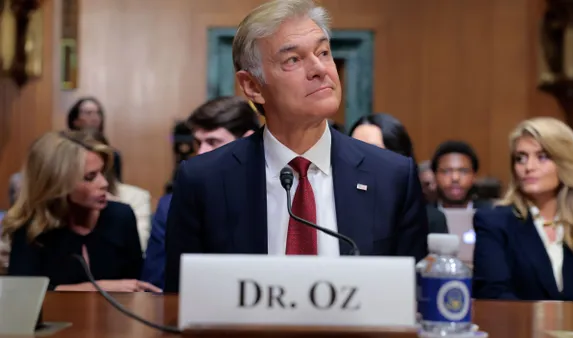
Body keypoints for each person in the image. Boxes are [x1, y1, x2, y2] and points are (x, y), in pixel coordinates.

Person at [164, 0, 428, 293]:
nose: (319, 69)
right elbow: (182, 304)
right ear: (252, 86)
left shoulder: (392, 177)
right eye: (293, 60)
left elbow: (410, 301)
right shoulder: (204, 181)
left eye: (323, 52)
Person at [2, 131, 160, 292]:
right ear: (58, 183)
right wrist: (96, 288)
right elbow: (23, 294)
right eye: (90, 177)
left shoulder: (121, 216)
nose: (104, 183)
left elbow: (135, 285)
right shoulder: (31, 226)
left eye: (102, 172)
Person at [473, 117, 573, 301]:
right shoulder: (494, 223)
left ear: (566, 163)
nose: (528, 167)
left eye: (542, 157)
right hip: (518, 328)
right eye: (520, 158)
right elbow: (494, 295)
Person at [141, 96, 260, 289]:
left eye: (213, 142)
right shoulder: (170, 205)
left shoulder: (276, 196)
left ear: (246, 141)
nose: (201, 152)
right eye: (198, 143)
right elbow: (154, 287)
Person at [349, 113, 448, 234]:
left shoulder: (429, 219)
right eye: (353, 149)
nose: (360, 159)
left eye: (371, 151)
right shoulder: (335, 212)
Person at [67, 97, 122, 181]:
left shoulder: (112, 155)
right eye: (89, 113)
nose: (95, 117)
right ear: (75, 120)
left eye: (98, 113)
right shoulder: (64, 152)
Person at [431, 140, 490, 210]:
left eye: (463, 171)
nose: (455, 178)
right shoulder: (422, 215)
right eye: (446, 171)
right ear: (435, 176)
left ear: (474, 176)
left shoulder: (491, 214)